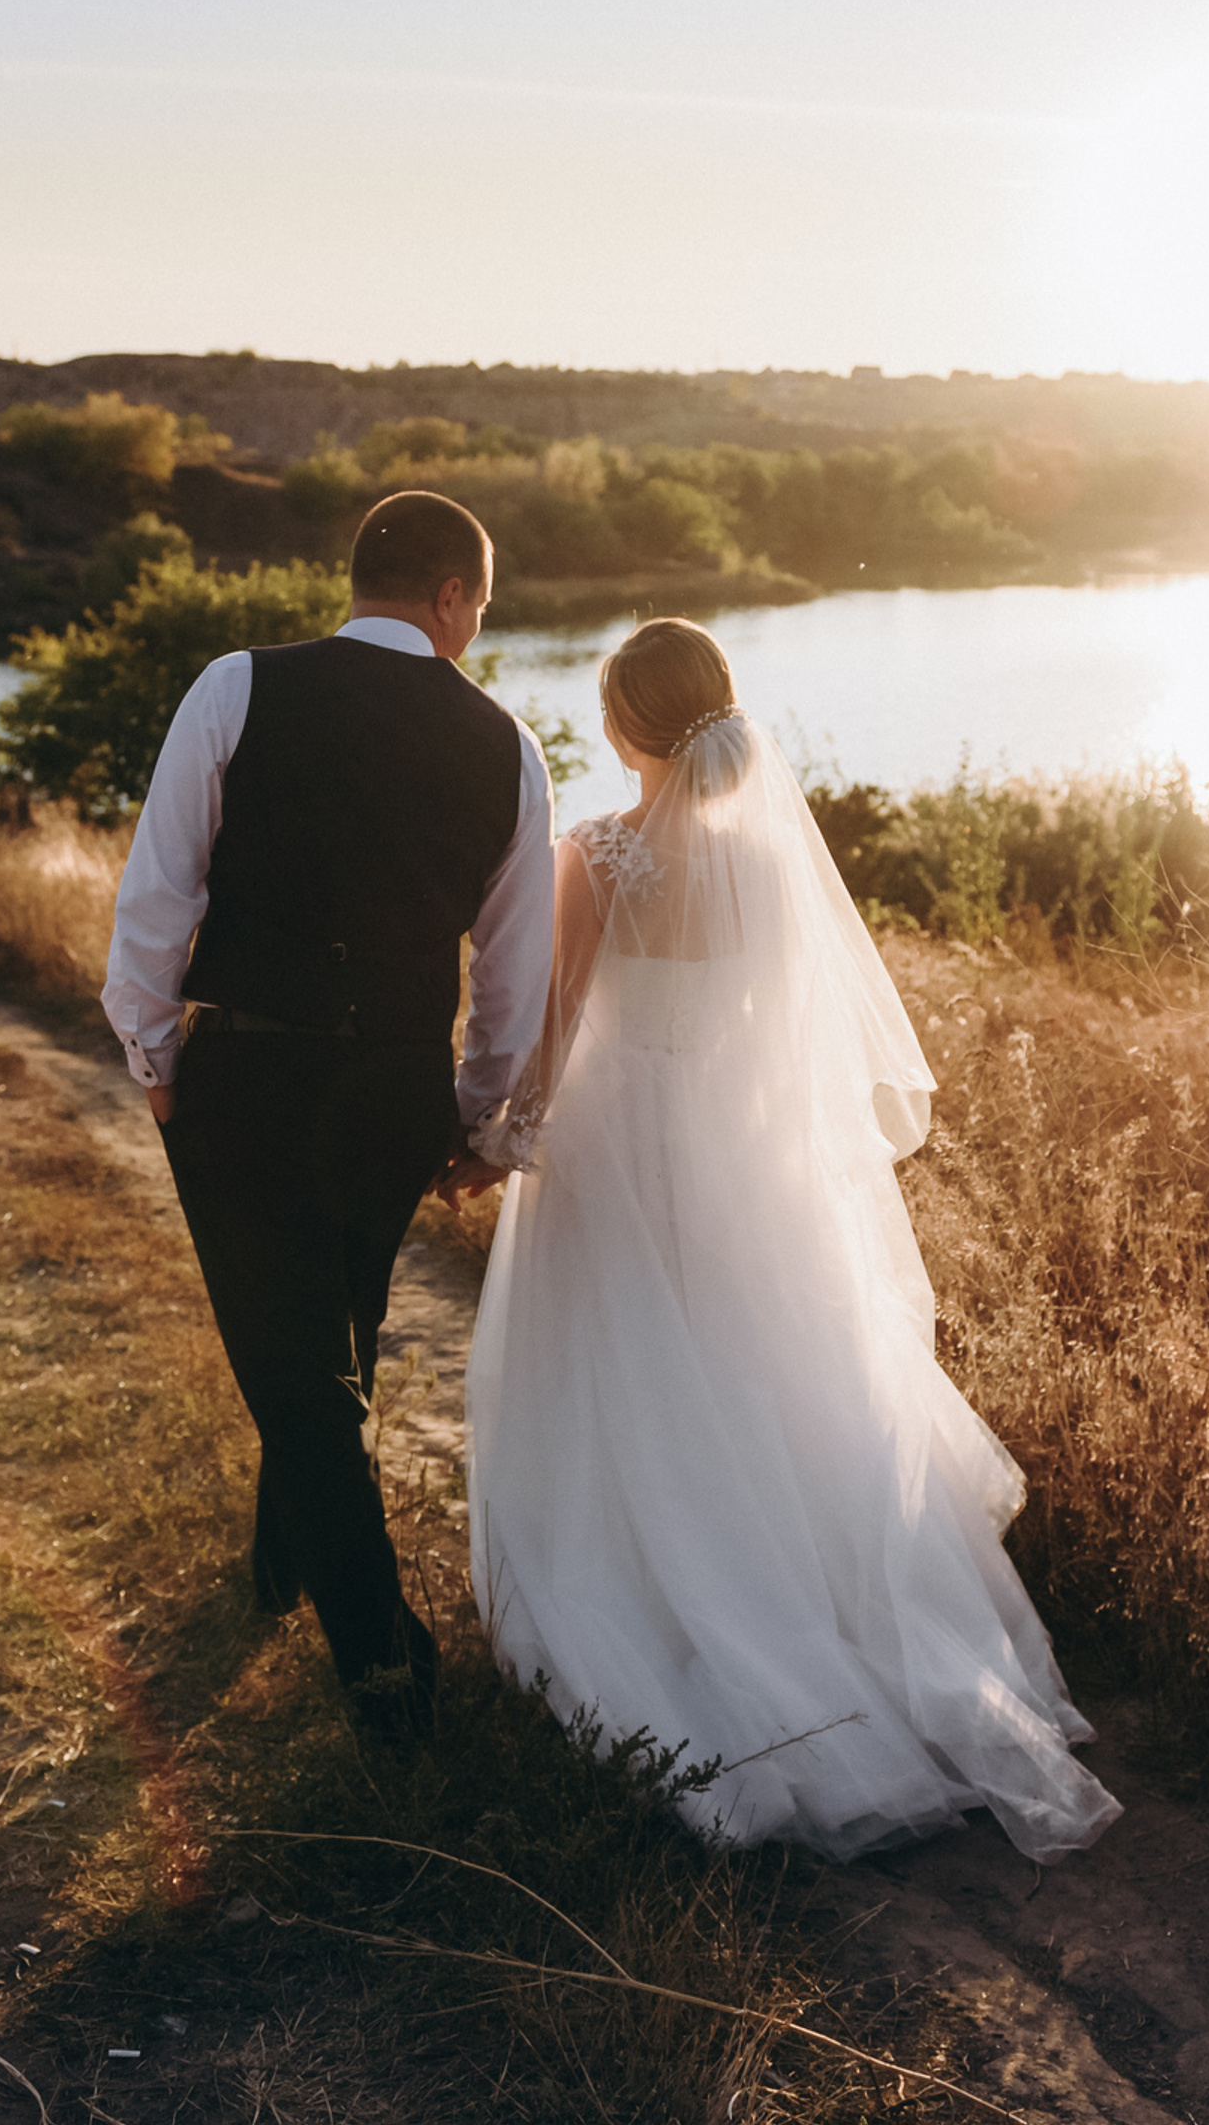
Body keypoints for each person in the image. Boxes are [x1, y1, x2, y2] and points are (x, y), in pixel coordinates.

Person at [464, 619, 1119, 1861]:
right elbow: (788, 1038)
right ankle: (829, 1614)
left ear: (620, 727)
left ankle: (672, 1615)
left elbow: (551, 1026)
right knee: (769, 1373)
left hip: (618, 1148)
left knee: (627, 1378)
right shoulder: (769, 868)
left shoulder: (596, 854)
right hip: (742, 1151)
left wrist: (507, 1130)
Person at [102, 489, 555, 1739]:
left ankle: (386, 1667)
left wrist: (152, 1051)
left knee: (298, 1365)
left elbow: (160, 889)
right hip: (396, 1089)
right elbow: (517, 973)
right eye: (481, 603)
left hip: (249, 1076)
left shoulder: (237, 687)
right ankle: (279, 1571)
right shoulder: (508, 745)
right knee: (320, 1341)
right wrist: (479, 1121)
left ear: (361, 579)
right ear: (454, 596)